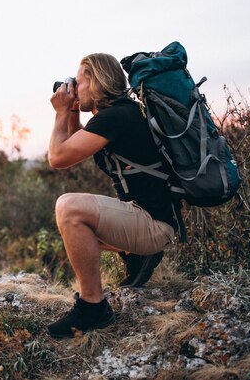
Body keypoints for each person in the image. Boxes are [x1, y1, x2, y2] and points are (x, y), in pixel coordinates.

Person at [46, 53, 177, 338]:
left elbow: (58, 157)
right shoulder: (120, 113)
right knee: (75, 220)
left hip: (153, 224)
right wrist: (71, 113)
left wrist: (59, 113)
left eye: (77, 82)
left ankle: (92, 307)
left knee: (68, 208)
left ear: (96, 82)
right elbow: (77, 143)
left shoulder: (116, 116)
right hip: (150, 217)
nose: (73, 89)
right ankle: (134, 255)